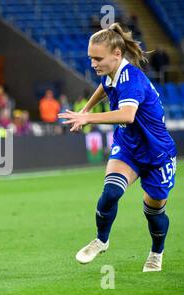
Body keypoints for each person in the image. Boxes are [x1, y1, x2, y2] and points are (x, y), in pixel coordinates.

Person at [58, 23, 177, 272]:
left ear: (117, 55)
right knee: (111, 192)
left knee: (154, 212)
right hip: (129, 146)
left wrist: (87, 119)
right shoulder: (112, 72)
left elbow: (127, 115)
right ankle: (101, 240)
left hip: (158, 154)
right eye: (91, 58)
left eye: (98, 58)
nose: (93, 63)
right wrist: (86, 109)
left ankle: (157, 252)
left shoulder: (131, 79)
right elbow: (105, 85)